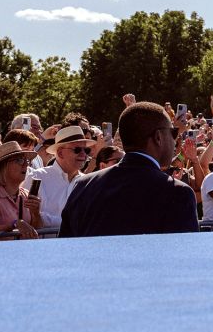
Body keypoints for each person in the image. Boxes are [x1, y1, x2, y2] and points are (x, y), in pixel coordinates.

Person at [59, 101, 198, 238]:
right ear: (158, 137)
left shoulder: (84, 186)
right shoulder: (177, 193)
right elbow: (183, 257)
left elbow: (65, 250)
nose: (175, 140)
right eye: (173, 133)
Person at [22, 125, 93, 230]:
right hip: (45, 245)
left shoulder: (88, 182)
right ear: (60, 153)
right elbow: (26, 217)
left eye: (86, 150)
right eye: (77, 150)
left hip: (78, 245)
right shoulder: (36, 177)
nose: (83, 155)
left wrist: (45, 220)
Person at [0, 141, 42, 240]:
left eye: (27, 161)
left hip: (23, 253)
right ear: (4, 166)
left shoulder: (26, 194)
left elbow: (37, 230)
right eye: (19, 160)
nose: (26, 164)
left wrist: (36, 213)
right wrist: (15, 224)